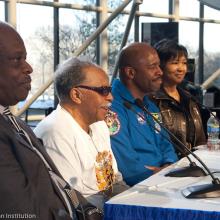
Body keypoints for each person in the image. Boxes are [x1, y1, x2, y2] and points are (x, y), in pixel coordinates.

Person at [0, 21, 76, 219]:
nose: (29, 68)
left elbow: (58, 183)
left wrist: (90, 210)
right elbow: (21, 213)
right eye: (17, 60)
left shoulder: (16, 124)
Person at [34, 57, 129, 209]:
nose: (111, 97)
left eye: (109, 90)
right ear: (76, 95)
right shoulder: (55, 131)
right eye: (103, 91)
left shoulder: (99, 125)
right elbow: (69, 201)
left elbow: (113, 180)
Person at [107, 42, 178, 186]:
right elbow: (127, 166)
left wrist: (168, 167)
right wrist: (159, 175)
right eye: (153, 67)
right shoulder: (111, 108)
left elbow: (166, 145)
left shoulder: (149, 105)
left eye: (159, 66)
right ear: (130, 73)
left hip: (163, 181)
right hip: (137, 189)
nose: (160, 72)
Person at [152, 39, 206, 157]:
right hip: (169, 166)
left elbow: (201, 140)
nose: (181, 68)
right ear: (160, 65)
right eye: (175, 63)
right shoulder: (152, 100)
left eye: (184, 63)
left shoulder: (190, 98)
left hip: (196, 164)